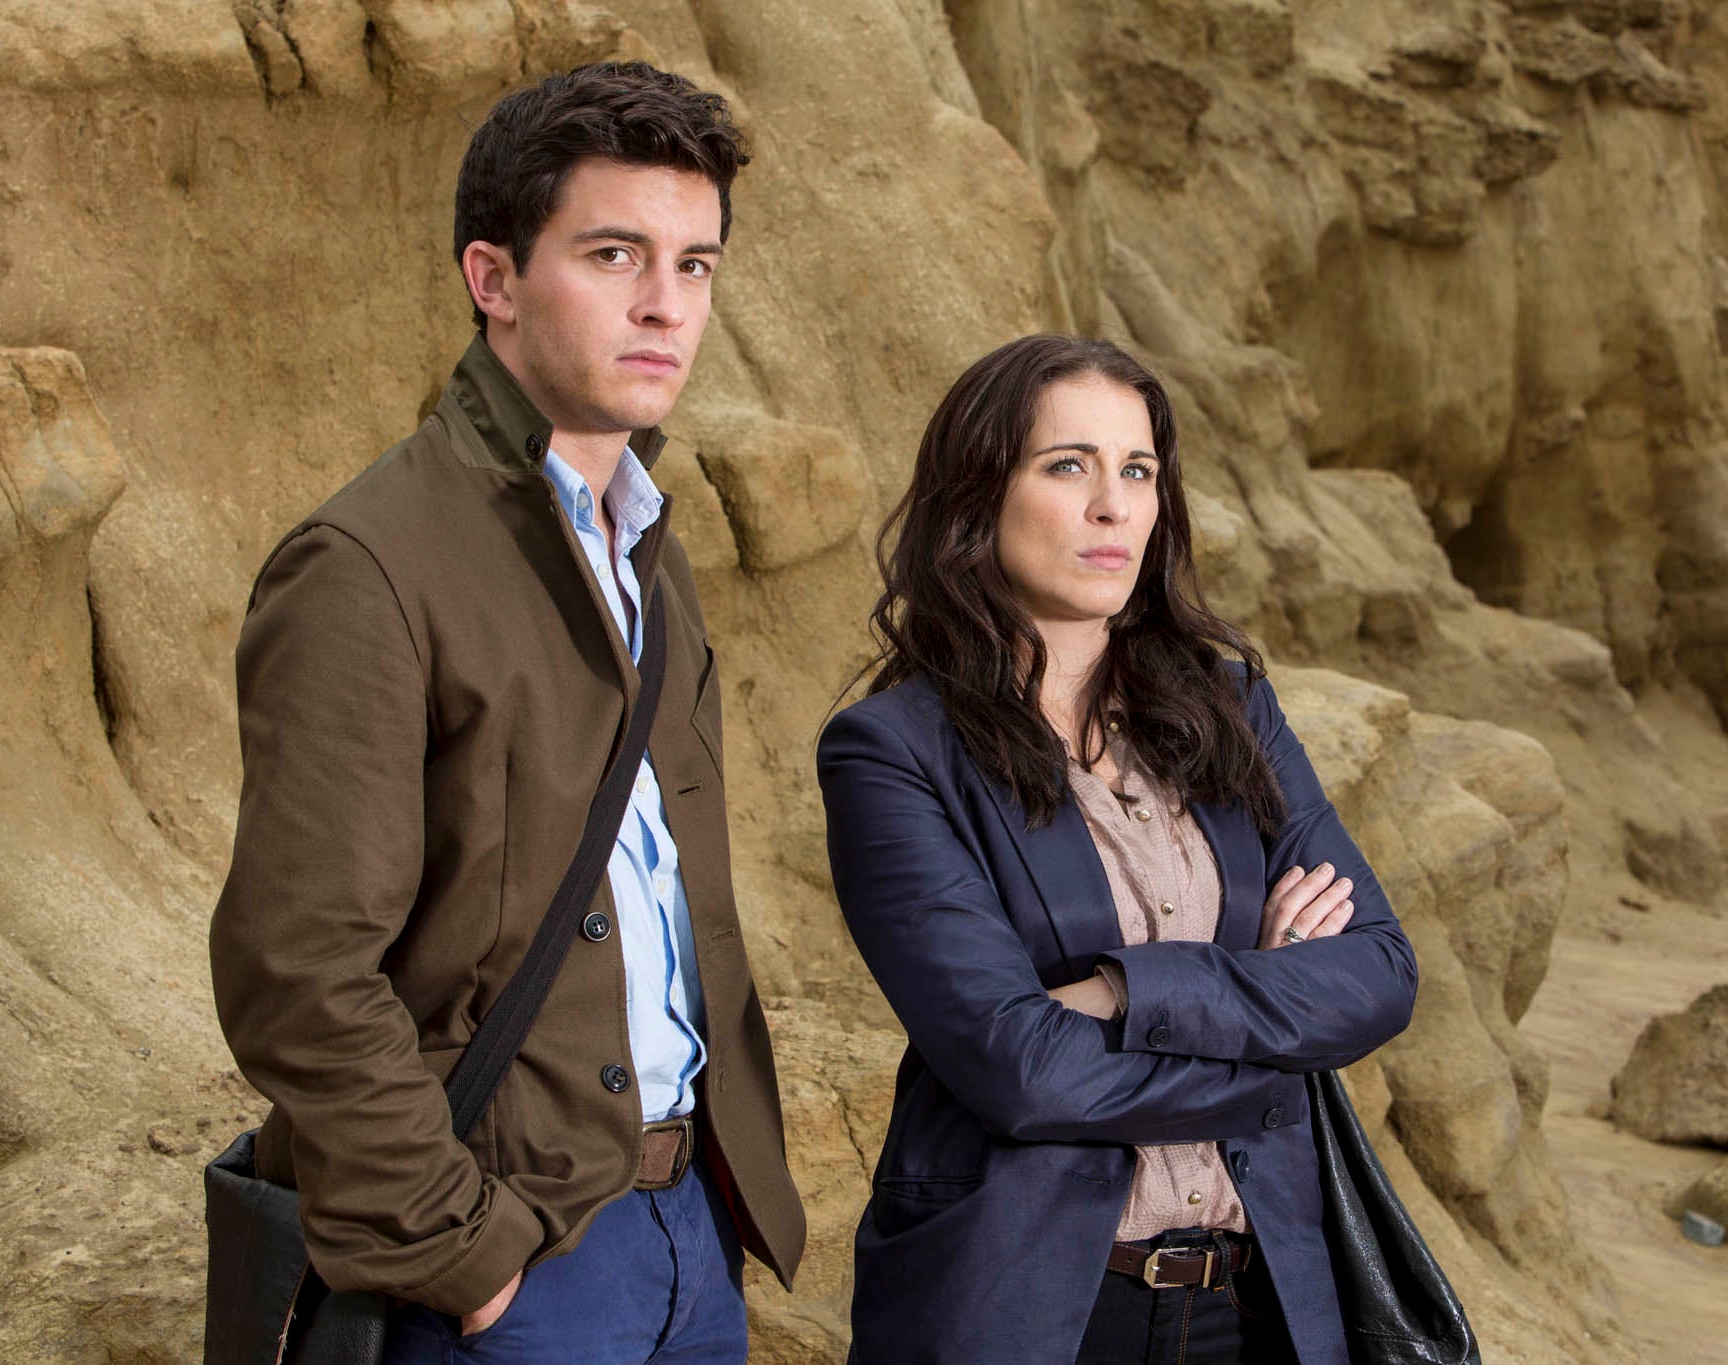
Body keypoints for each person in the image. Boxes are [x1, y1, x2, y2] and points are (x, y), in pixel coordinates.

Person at [209, 61, 805, 1363]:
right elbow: (296, 969)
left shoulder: (649, 551)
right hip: (511, 1263)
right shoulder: (366, 565)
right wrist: (464, 1257)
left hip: (689, 1231)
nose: (665, 305)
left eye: (695, 265)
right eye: (613, 254)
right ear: (494, 278)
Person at [817, 334, 1420, 1364]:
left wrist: (1120, 991)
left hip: (1255, 1302)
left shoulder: (1230, 706)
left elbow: (1379, 972)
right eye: (1068, 467)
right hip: (1025, 1306)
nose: (1114, 507)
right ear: (976, 497)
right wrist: (1271, 1039)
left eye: (1137, 471)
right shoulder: (891, 752)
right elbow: (1020, 1070)